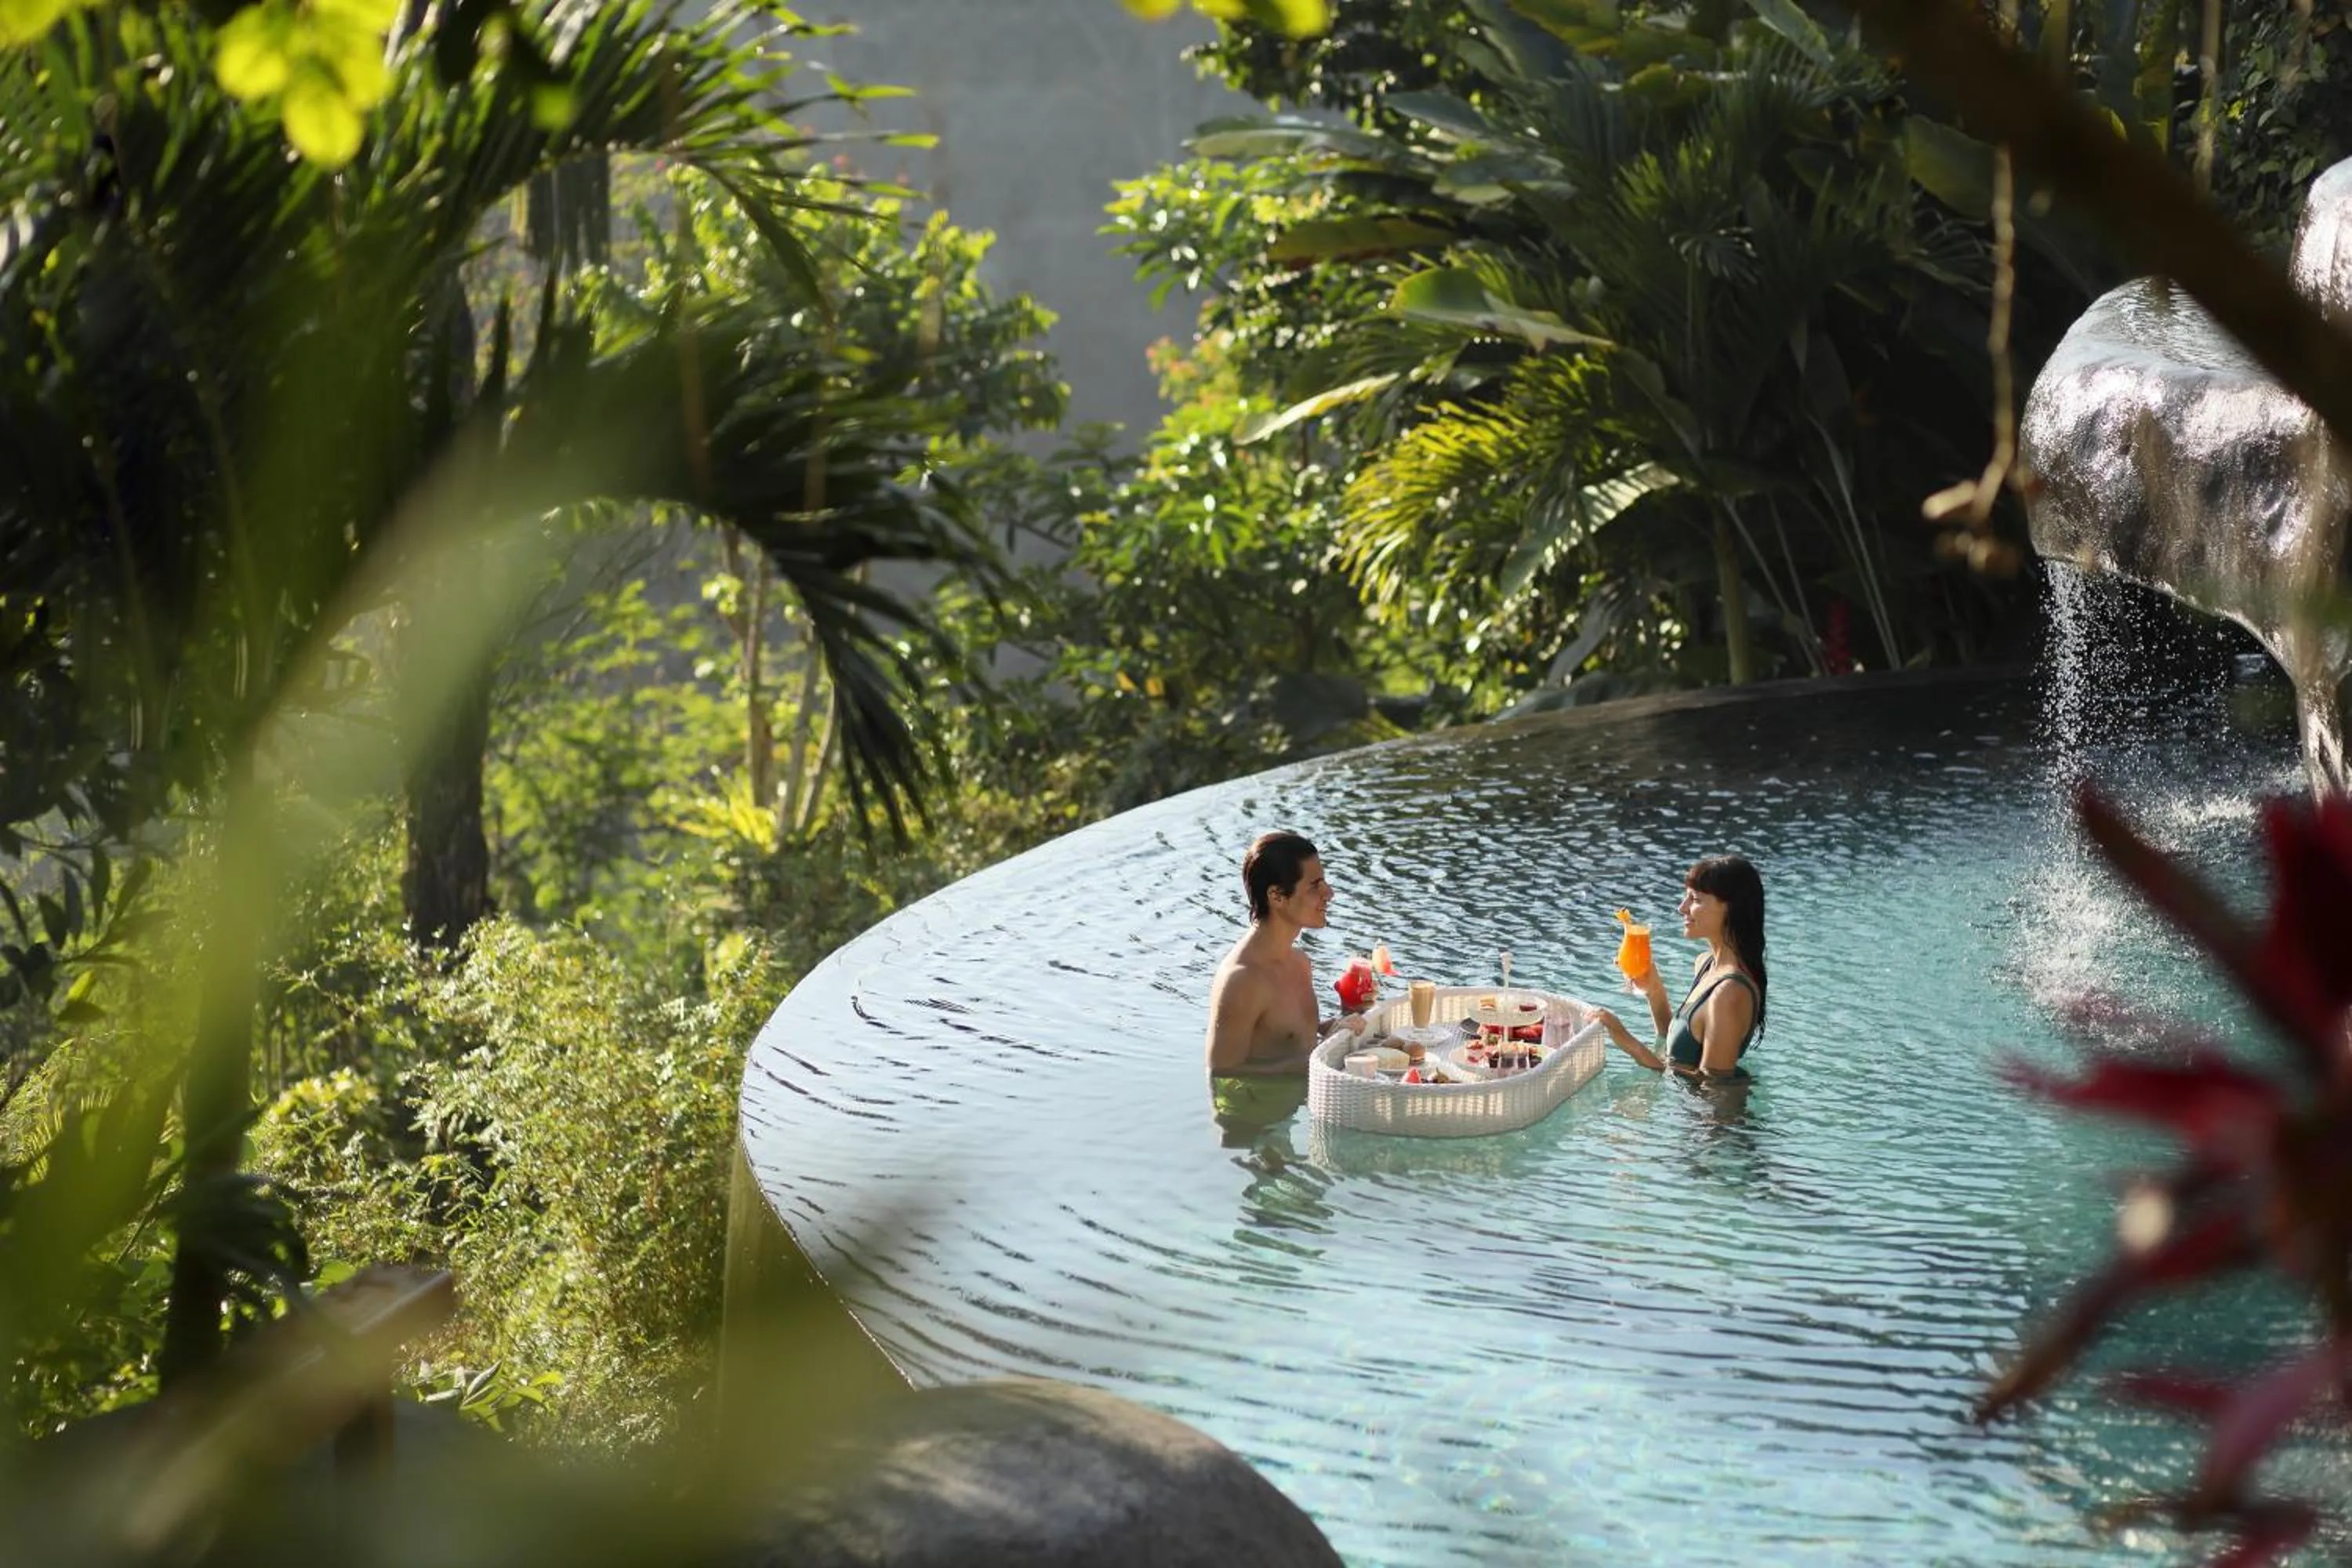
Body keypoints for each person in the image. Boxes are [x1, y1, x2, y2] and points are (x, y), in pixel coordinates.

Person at [1204, 830, 1370, 1076]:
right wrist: (1322, 1054)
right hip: (1258, 1114)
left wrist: (1347, 1014)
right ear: (1277, 896)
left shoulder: (1299, 962)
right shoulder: (1243, 980)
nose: (1330, 893)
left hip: (1303, 1103)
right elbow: (1222, 1074)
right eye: (1315, 885)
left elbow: (1290, 1038)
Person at [1593, 855, 1768, 1080]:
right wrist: (1655, 992)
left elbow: (1714, 1088)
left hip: (1712, 1115)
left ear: (1730, 908)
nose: (1681, 908)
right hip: (1687, 1112)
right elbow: (1677, 1052)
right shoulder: (1706, 965)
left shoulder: (1729, 993)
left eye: (1695, 899)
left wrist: (1627, 1041)